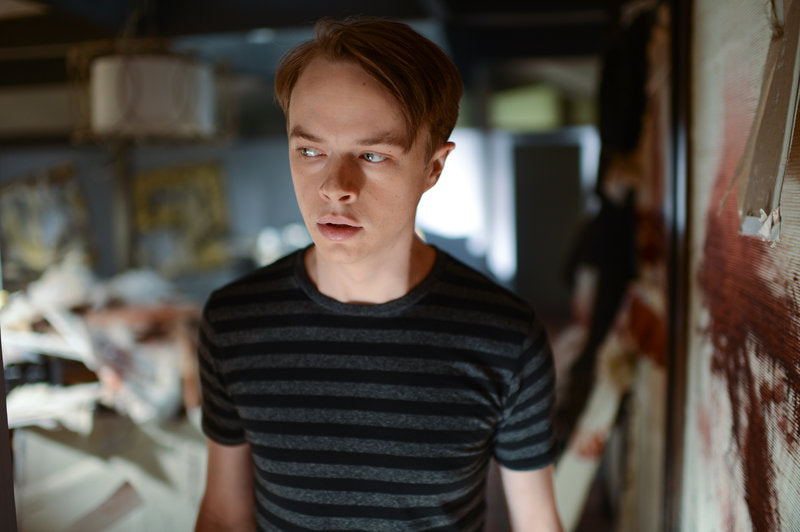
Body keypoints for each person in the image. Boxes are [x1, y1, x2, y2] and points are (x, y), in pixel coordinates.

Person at [195, 17, 562, 531]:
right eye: (310, 151)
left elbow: (537, 523)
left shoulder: (505, 338)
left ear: (433, 168)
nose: (335, 186)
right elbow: (222, 515)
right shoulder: (235, 323)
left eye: (372, 155)